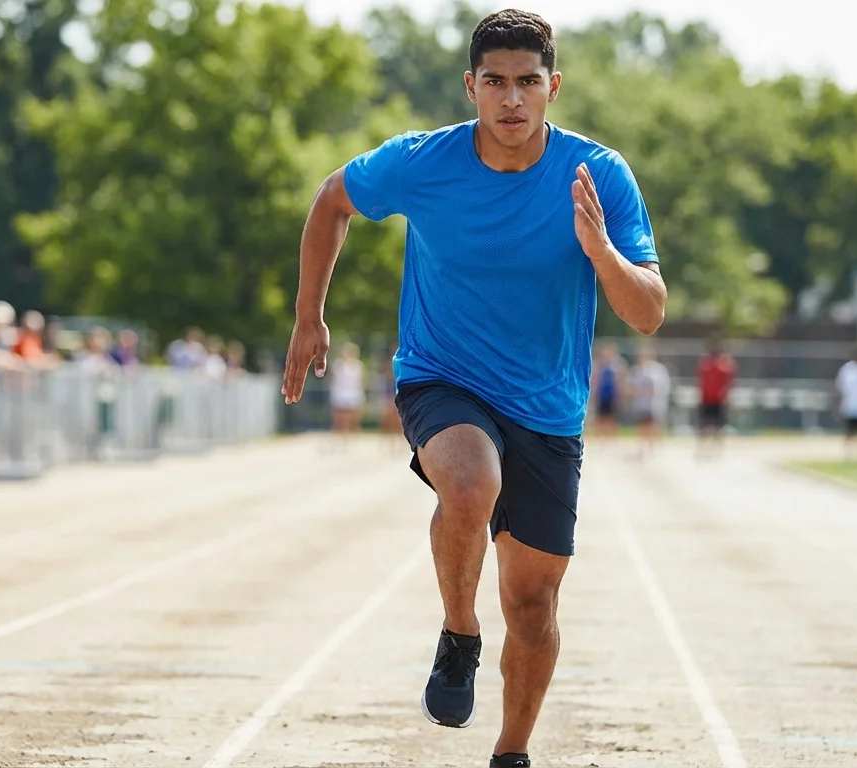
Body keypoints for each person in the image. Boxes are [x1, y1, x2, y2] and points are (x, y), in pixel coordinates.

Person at [279, 10, 667, 767]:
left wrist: (602, 252)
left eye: (527, 82)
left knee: (532, 605)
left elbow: (648, 312)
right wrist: (308, 316)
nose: (512, 99)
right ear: (471, 87)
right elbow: (332, 198)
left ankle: (511, 752)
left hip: (548, 409)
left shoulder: (599, 176)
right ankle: (459, 632)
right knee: (467, 485)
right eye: (495, 82)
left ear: (553, 86)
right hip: (442, 377)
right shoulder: (426, 163)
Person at [695, 335, 736, 458]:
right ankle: (702, 448)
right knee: (703, 425)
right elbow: (701, 381)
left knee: (719, 426)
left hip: (719, 399)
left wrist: (729, 398)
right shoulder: (705, 363)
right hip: (706, 398)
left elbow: (729, 382)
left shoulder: (725, 363)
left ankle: (718, 449)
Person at [329, 342, 367, 441]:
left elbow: (361, 381)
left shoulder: (358, 366)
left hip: (354, 393)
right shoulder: (338, 365)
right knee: (340, 418)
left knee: (354, 418)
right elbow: (333, 379)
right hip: (341, 393)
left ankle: (354, 437)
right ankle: (340, 437)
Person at [588, 341, 627, 437]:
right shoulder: (597, 364)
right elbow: (594, 380)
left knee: (612, 418)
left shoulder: (618, 364)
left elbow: (622, 380)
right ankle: (600, 438)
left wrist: (621, 395)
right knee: (600, 418)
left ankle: (611, 438)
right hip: (601, 395)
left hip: (613, 395)